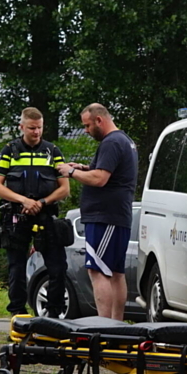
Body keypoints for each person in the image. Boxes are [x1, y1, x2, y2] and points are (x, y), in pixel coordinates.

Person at [57, 103, 137, 320]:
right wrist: (84, 168)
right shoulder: (125, 140)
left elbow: (100, 179)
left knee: (98, 271)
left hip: (104, 217)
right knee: (115, 272)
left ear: (99, 120)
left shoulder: (111, 142)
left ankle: (103, 326)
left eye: (87, 125)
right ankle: (116, 325)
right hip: (118, 215)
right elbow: (107, 172)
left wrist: (71, 172)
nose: (85, 130)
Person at [0, 107, 71, 317]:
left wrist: (42, 202)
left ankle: (54, 315)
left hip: (46, 215)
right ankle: (17, 315)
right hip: (16, 216)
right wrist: (24, 200)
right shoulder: (9, 150)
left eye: (39, 128)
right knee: (16, 268)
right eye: (32, 128)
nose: (36, 132)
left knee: (58, 267)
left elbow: (64, 188)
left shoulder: (53, 151)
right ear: (22, 127)